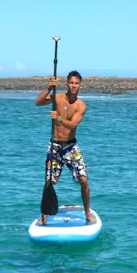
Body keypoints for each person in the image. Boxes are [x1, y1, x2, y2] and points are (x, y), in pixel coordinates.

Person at [35, 70, 94, 224]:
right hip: (54, 145)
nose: (74, 86)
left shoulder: (81, 106)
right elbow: (38, 102)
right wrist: (49, 88)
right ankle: (44, 215)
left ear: (80, 85)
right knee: (49, 181)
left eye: (77, 83)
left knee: (84, 180)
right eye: (72, 83)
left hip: (71, 146)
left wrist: (59, 118)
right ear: (67, 84)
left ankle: (87, 212)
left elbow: (73, 124)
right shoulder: (58, 97)